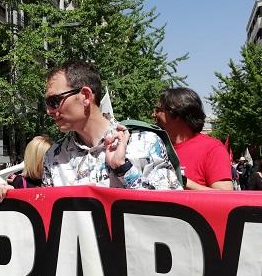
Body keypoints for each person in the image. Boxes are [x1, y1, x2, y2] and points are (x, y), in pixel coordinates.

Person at [42, 60, 181, 189]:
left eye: (54, 101)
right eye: (47, 103)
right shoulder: (53, 156)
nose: (49, 111)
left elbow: (173, 209)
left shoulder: (145, 143)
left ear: (85, 96)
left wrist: (123, 168)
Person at [153, 87, 232, 190]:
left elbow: (224, 196)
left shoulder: (212, 148)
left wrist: (182, 181)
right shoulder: (155, 146)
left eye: (159, 110)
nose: (153, 114)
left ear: (176, 114)